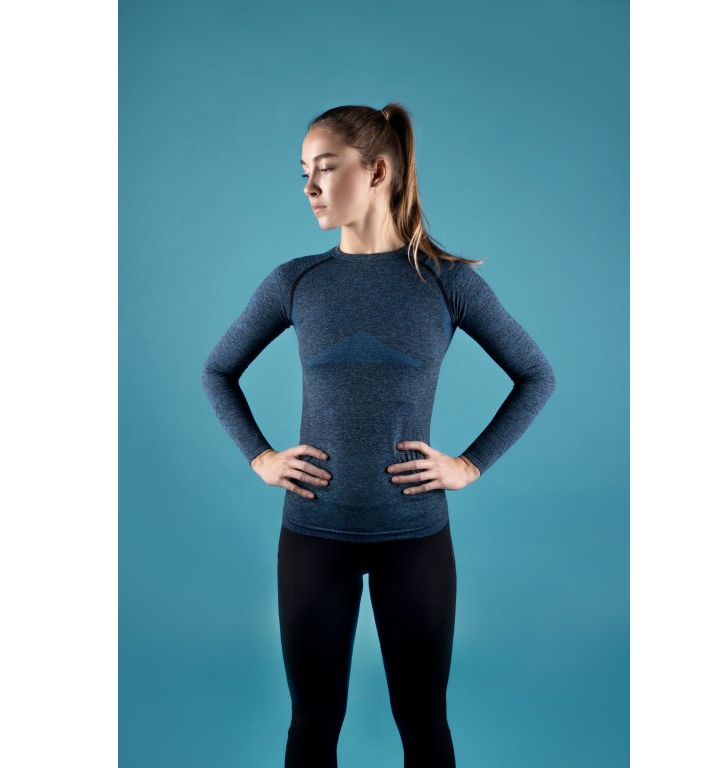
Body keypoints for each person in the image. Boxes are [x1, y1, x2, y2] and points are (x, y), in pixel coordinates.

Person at [201, 102, 557, 768]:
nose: (309, 187)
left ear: (377, 171)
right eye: (304, 172)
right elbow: (217, 370)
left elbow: (536, 375)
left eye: (325, 168)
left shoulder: (447, 284)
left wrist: (470, 464)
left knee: (423, 725)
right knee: (312, 727)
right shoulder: (296, 281)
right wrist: (260, 457)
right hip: (313, 536)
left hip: (414, 539)